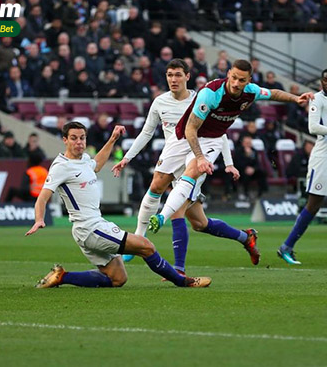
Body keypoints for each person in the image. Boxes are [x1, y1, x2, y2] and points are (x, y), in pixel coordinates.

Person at [146, 60, 314, 257]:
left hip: (210, 143)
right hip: (188, 141)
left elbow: (273, 93)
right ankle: (245, 237)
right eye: (233, 78)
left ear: (248, 80)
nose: (236, 83)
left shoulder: (251, 91)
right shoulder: (211, 93)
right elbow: (191, 129)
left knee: (178, 207)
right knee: (199, 223)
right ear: (228, 74)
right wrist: (204, 159)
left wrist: (295, 99)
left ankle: (177, 265)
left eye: (241, 80)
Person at [25, 122, 211, 289]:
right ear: (65, 140)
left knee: (118, 278)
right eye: (74, 138)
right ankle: (183, 281)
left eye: (82, 138)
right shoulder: (60, 166)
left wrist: (113, 139)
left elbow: (96, 164)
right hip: (90, 228)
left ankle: (62, 276)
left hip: (90, 228)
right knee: (146, 246)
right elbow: (42, 198)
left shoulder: (82, 161)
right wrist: (39, 219)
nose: (79, 142)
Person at [112, 59, 242, 273]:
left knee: (177, 211)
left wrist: (229, 163)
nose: (174, 79)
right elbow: (146, 132)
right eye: (170, 75)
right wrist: (127, 158)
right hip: (172, 157)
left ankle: (178, 269)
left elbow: (219, 133)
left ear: (187, 77)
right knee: (199, 222)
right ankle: (246, 237)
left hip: (196, 159)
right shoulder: (160, 102)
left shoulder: (201, 98)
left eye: (178, 75)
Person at [277, 68, 327, 265]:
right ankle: (286, 247)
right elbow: (312, 128)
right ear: (321, 82)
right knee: (314, 205)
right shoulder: (317, 99)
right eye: (325, 80)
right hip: (323, 159)